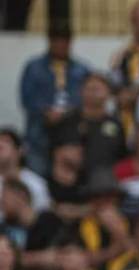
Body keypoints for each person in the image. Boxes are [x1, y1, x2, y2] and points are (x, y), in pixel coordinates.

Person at [18, 19, 90, 177]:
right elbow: (26, 98)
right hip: (39, 134)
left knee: (68, 177)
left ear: (70, 42)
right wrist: (45, 111)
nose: (60, 45)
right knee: (37, 175)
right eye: (56, 41)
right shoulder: (33, 67)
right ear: (49, 41)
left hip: (71, 135)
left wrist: (69, 113)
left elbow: (87, 99)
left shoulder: (82, 70)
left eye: (64, 41)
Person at [52, 72, 127, 171]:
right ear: (81, 91)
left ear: (108, 93)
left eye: (97, 89)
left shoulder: (115, 124)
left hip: (108, 180)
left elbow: (122, 156)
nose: (92, 93)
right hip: (74, 180)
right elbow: (55, 151)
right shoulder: (68, 121)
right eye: (89, 89)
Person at [0, 129, 51, 213]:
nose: (0, 144)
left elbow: (42, 216)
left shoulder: (36, 184)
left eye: (6, 141)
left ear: (20, 151)